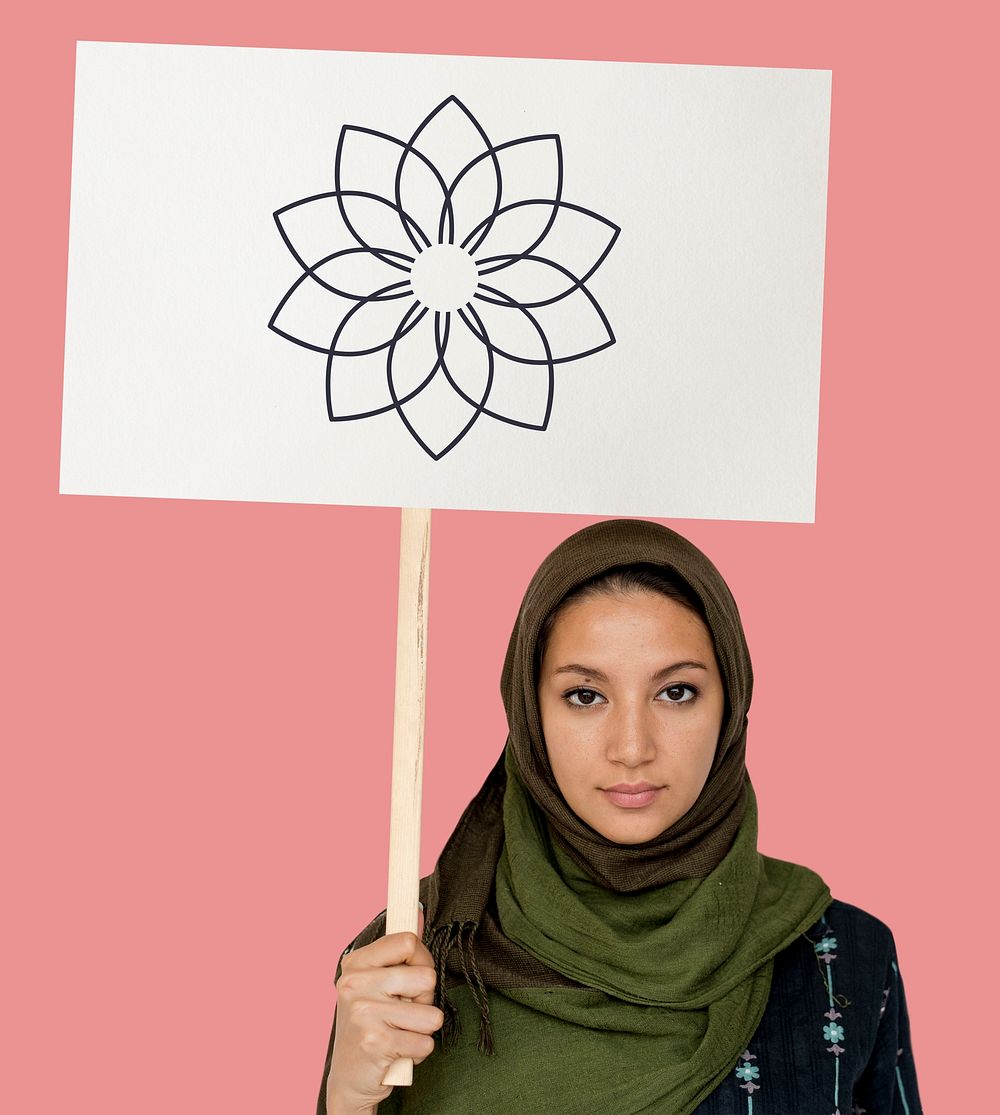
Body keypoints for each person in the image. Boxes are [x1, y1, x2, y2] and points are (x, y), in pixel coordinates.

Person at [318, 518, 923, 1114]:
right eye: (585, 695)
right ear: (530, 713)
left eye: (676, 692)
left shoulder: (843, 959)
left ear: (731, 702)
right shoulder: (409, 959)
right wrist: (347, 1100)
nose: (632, 747)